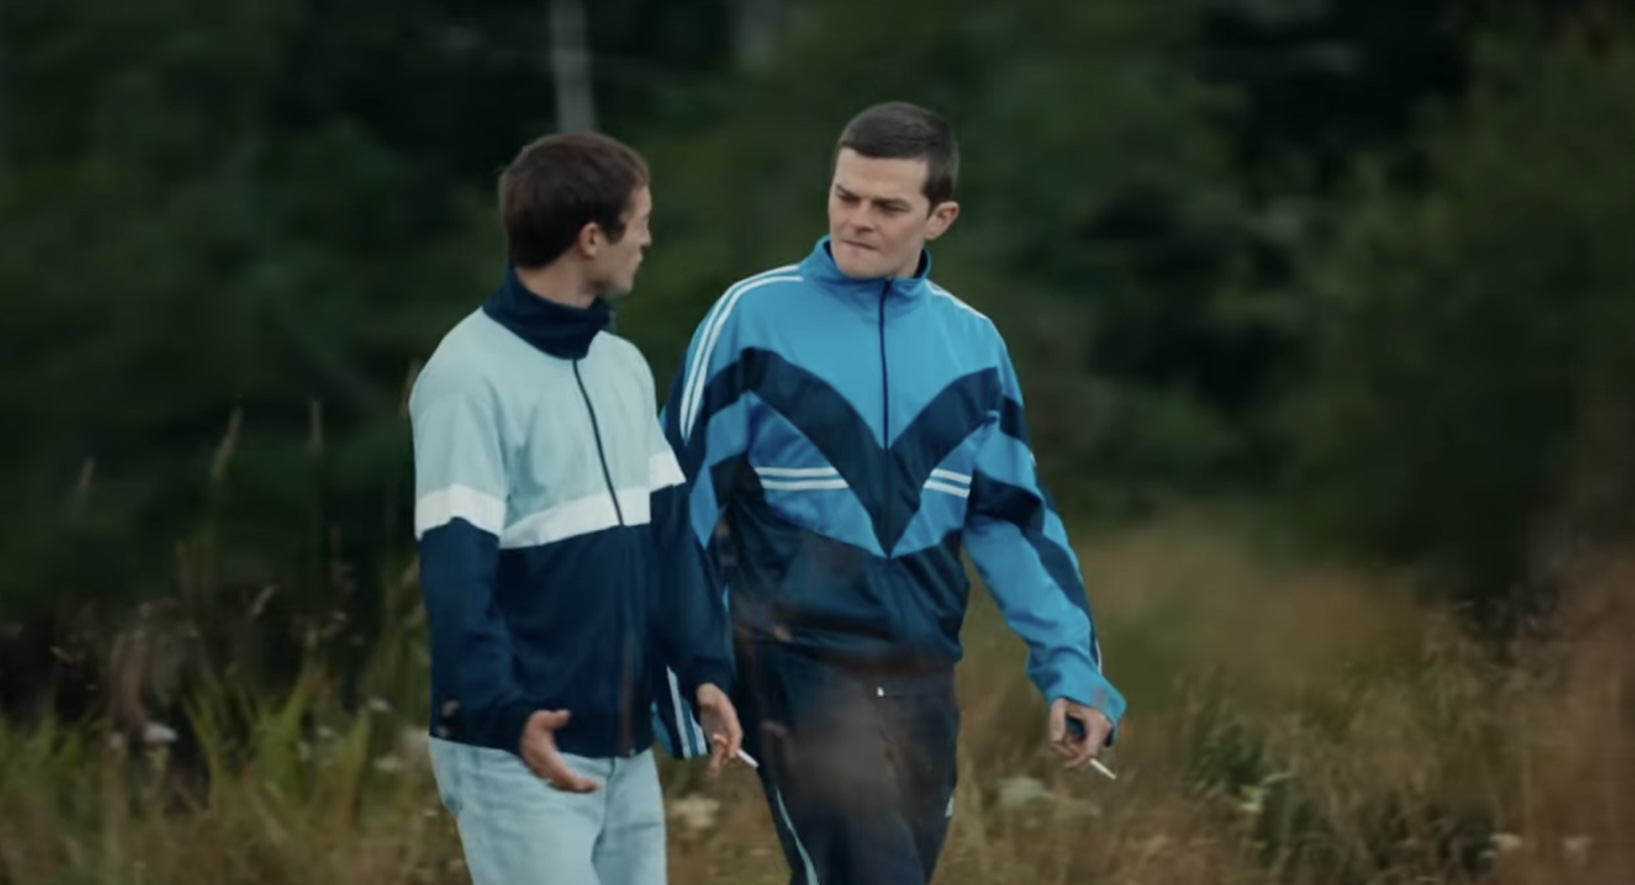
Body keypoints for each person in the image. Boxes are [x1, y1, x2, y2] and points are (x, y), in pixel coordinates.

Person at [657, 101, 1127, 884]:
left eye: (887, 206)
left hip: (922, 668)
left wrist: (1070, 667)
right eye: (845, 195)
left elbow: (1011, 520)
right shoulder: (750, 318)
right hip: (795, 659)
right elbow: (676, 508)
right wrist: (687, 666)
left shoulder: (973, 342)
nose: (857, 220)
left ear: (939, 218)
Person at [408, 130, 744, 885]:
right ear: (592, 238)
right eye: (641, 222)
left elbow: (668, 540)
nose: (648, 240)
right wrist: (506, 714)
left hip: (623, 741)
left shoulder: (621, 364)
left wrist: (703, 667)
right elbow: (456, 581)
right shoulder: (466, 379)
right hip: (519, 747)